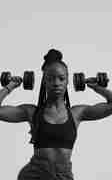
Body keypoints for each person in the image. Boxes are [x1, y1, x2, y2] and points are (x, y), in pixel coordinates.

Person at [0, 49, 112, 180]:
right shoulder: (32, 112)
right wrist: (10, 86)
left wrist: (97, 87)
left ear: (68, 81)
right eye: (51, 79)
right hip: (34, 175)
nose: (56, 83)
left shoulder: (77, 113)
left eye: (61, 78)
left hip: (63, 176)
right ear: (44, 82)